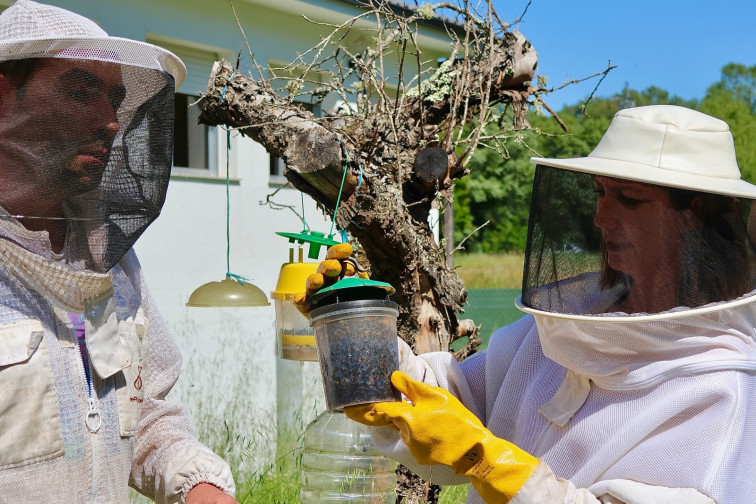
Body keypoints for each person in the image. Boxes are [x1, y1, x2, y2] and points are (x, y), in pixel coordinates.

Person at [309, 105, 756, 503]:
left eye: (629, 199)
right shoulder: (565, 327)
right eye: (601, 192)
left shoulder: (720, 392)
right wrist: (353, 323)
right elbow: (447, 403)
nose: (602, 217)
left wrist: (494, 466)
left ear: (692, 214)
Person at [0, 1, 238, 503]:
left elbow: (146, 411)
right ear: (3, 96)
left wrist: (202, 488)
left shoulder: (107, 256)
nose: (112, 122)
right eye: (81, 91)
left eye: (116, 99)